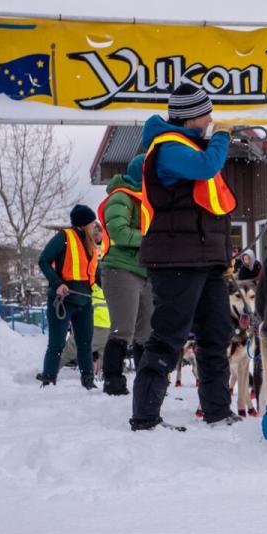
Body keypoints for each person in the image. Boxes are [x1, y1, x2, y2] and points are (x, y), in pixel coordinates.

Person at [129, 83, 240, 431]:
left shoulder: (187, 145)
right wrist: (221, 137)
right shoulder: (168, 148)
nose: (211, 119)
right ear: (192, 116)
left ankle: (218, 412)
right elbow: (207, 167)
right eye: (207, 113)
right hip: (176, 260)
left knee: (217, 334)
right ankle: (145, 418)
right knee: (168, 337)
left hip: (205, 259)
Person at [98, 154, 153, 396]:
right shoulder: (120, 196)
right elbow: (119, 232)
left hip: (144, 271)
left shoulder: (148, 201)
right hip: (120, 269)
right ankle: (113, 381)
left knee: (146, 332)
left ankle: (145, 381)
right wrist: (151, 240)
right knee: (123, 329)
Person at [36, 205, 101, 389]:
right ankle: (48, 380)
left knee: (85, 344)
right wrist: (57, 284)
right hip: (63, 300)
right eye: (92, 222)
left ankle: (88, 382)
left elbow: (96, 274)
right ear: (84, 223)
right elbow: (43, 260)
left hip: (85, 301)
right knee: (56, 344)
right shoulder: (64, 237)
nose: (94, 226)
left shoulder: (92, 244)